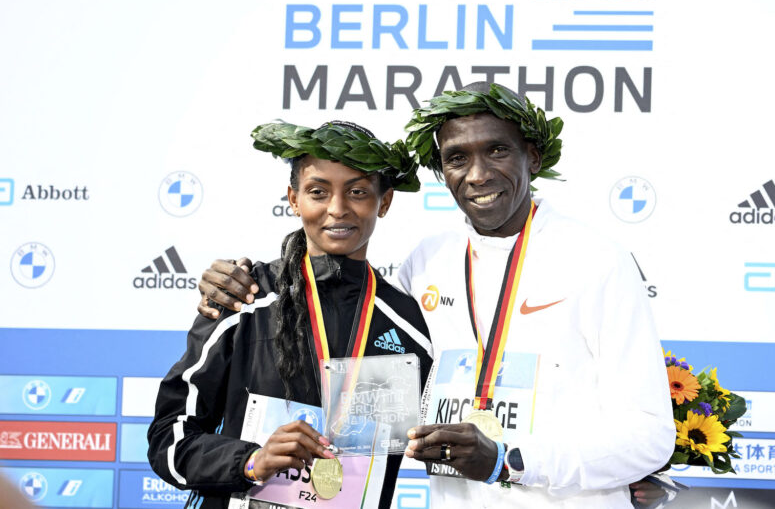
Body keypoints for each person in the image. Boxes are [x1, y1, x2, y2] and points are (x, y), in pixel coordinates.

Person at [198, 84, 675, 507]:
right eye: (457, 159)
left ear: (533, 156)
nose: (478, 174)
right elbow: (360, 346)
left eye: (497, 152)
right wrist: (237, 281)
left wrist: (509, 461)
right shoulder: (428, 261)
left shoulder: (597, 259)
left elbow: (651, 435)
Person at [148, 120, 432, 509]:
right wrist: (250, 461)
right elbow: (169, 438)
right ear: (294, 199)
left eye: (358, 192)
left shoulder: (409, 325)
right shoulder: (244, 299)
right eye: (318, 191)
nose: (337, 208)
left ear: (384, 202)